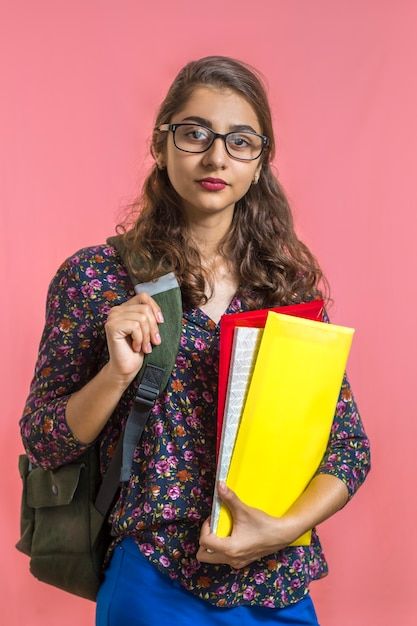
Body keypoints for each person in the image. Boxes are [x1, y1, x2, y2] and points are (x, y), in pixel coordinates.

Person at [20, 55, 371, 625]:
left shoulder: (285, 287)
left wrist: (282, 530)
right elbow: (45, 441)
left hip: (276, 583)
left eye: (240, 141)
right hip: (153, 579)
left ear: (259, 164)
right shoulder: (96, 277)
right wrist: (115, 374)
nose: (215, 157)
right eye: (194, 134)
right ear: (161, 146)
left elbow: (348, 447)